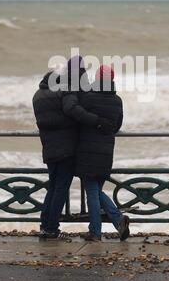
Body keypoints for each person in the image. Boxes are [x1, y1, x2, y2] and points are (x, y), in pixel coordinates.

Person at [32, 60, 112, 239]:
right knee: (61, 188)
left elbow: (46, 121)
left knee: (52, 187)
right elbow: (71, 110)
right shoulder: (64, 89)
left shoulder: (38, 95)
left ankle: (45, 226)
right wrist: (97, 121)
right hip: (67, 147)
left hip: (49, 147)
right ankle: (52, 228)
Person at [62, 64, 130, 241]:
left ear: (98, 78)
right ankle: (117, 221)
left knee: (92, 191)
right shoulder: (117, 101)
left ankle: (97, 231)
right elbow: (117, 125)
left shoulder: (89, 98)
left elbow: (77, 115)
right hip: (107, 151)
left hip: (87, 150)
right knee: (96, 190)